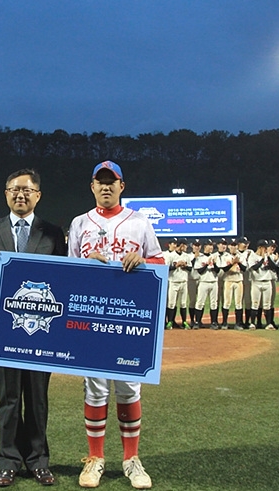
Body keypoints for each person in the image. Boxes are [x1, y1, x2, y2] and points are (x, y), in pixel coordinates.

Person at [68, 161, 163, 490]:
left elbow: (160, 262)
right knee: (95, 389)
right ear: (92, 186)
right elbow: (68, 271)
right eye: (100, 181)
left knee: (127, 388)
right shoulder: (80, 222)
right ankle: (95, 458)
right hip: (92, 318)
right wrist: (84, 263)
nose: (106, 187)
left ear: (122, 186)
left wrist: (144, 261)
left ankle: (130, 459)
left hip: (129, 318)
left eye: (112, 181)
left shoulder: (139, 222)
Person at [0, 168, 66, 488]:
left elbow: (66, 276)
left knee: (37, 397)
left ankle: (38, 460)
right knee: (9, 398)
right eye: (14, 189)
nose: (19, 195)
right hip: (5, 327)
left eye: (26, 190)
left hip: (42, 328)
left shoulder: (52, 232)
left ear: (38, 195)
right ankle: (8, 459)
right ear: (5, 193)